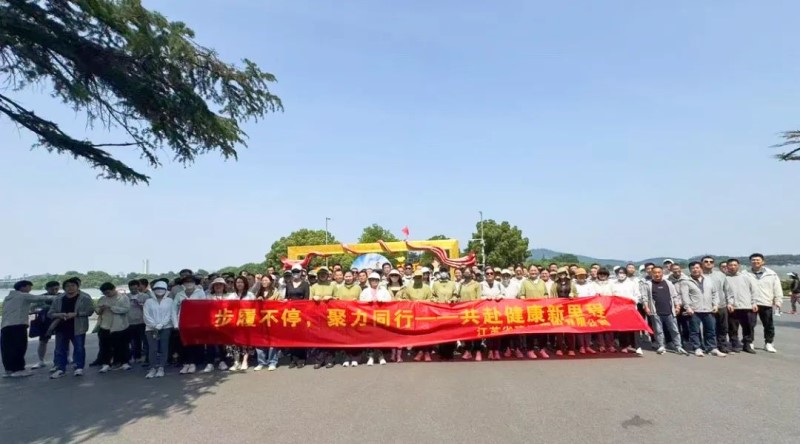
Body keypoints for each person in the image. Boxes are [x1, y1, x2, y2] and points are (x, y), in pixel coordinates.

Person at [1, 280, 54, 377]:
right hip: (18, 325)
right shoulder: (23, 295)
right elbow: (41, 298)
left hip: (5, 326)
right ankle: (19, 369)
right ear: (23, 287)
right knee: (19, 347)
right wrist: (60, 296)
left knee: (7, 349)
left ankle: (9, 370)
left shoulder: (8, 297)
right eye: (29, 287)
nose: (30, 289)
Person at [48, 278, 94, 379]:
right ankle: (60, 369)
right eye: (67, 286)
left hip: (78, 326)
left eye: (73, 286)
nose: (70, 288)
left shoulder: (84, 298)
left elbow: (90, 311)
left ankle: (79, 367)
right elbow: (50, 313)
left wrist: (76, 314)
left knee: (79, 348)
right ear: (64, 288)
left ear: (77, 287)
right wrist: (59, 315)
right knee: (60, 349)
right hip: (61, 327)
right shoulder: (58, 299)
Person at [641, 266, 688, 355]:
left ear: (662, 273)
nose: (657, 274)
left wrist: (677, 306)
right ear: (652, 274)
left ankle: (678, 346)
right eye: (655, 273)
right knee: (658, 330)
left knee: (674, 330)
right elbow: (645, 297)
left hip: (670, 311)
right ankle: (661, 345)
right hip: (655, 312)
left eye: (659, 272)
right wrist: (646, 307)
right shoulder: (648, 284)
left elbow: (674, 296)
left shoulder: (668, 283)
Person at [683, 262, 726, 357]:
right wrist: (688, 307)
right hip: (694, 310)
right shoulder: (686, 281)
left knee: (711, 330)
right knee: (695, 331)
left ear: (701, 269)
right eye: (693, 268)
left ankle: (712, 348)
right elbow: (685, 296)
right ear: (690, 270)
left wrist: (715, 305)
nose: (695, 270)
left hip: (708, 309)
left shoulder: (709, 280)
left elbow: (715, 293)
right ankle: (697, 348)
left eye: (697, 268)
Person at [746, 253, 782, 353]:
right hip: (750, 303)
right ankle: (749, 342)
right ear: (750, 262)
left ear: (763, 262)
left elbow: (777, 288)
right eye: (753, 260)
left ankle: (769, 343)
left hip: (766, 302)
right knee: (749, 324)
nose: (755, 261)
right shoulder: (745, 274)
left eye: (758, 260)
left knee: (768, 325)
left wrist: (778, 300)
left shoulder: (771, 274)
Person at [173, 275, 207, 374]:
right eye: (186, 282)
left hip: (196, 323)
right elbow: (174, 310)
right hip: (182, 322)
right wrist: (175, 323)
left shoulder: (200, 293)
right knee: (184, 344)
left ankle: (193, 363)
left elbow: (204, 308)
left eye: (191, 281)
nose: (189, 283)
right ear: (183, 284)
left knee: (194, 344)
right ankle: (185, 364)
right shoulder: (179, 294)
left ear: (194, 283)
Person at [723, 259, 758, 354]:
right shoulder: (725, 278)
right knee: (732, 328)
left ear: (738, 266)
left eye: (735, 265)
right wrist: (729, 303)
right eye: (730, 265)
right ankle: (734, 344)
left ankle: (747, 344)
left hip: (747, 306)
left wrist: (754, 303)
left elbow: (754, 291)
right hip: (732, 307)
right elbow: (725, 293)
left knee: (748, 327)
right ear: (727, 266)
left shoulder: (747, 277)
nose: (733, 267)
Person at [95, 282, 132, 373]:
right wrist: (101, 309)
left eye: (108, 292)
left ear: (113, 289)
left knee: (122, 345)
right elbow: (97, 310)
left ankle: (124, 362)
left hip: (120, 325)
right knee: (105, 346)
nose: (107, 294)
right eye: (104, 293)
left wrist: (111, 307)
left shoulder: (123, 298)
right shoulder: (103, 299)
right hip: (105, 325)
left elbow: (126, 309)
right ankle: (106, 363)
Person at [359, 272, 391, 366]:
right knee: (370, 337)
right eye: (372, 280)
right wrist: (367, 302)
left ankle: (381, 356)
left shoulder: (384, 290)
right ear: (369, 281)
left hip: (380, 317)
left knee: (380, 337)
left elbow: (389, 301)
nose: (374, 281)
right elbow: (360, 302)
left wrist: (382, 301)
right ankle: (371, 356)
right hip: (369, 318)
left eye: (376, 280)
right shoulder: (365, 291)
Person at [518, 265, 550, 359]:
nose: (533, 272)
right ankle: (530, 350)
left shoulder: (542, 282)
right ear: (528, 272)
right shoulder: (525, 282)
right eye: (531, 270)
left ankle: (542, 350)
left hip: (541, 311)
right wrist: (525, 300)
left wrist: (545, 299)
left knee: (542, 332)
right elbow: (521, 295)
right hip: (530, 311)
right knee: (531, 332)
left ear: (538, 271)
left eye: (535, 270)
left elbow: (546, 294)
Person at [701, 256, 731, 353]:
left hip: (721, 305)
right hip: (707, 306)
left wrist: (730, 303)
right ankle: (709, 346)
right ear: (702, 264)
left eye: (711, 261)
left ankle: (722, 345)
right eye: (706, 261)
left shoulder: (721, 275)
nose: (708, 263)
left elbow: (727, 290)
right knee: (709, 328)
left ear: (713, 264)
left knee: (723, 327)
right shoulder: (699, 275)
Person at [332, 271, 363, 367]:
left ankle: (355, 358)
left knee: (356, 337)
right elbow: (336, 300)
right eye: (346, 276)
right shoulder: (340, 288)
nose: (348, 278)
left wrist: (357, 301)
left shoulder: (358, 288)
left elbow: (362, 300)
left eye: (349, 276)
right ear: (344, 278)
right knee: (345, 338)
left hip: (355, 315)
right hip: (344, 315)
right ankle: (346, 358)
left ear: (353, 277)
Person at [611, 267, 643, 356]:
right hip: (619, 310)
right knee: (622, 328)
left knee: (635, 328)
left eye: (623, 273)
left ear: (626, 274)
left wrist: (631, 300)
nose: (621, 275)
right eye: (619, 273)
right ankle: (624, 345)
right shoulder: (613, 284)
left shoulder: (632, 283)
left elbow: (638, 295)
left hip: (631, 308)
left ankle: (637, 347)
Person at [143, 281, 173, 378]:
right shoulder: (148, 301)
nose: (159, 290)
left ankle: (161, 367)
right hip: (150, 328)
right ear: (153, 290)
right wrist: (154, 325)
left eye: (162, 288)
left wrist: (161, 325)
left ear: (166, 290)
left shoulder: (170, 301)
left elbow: (170, 314)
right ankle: (152, 368)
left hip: (166, 327)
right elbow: (146, 315)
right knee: (153, 349)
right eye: (157, 288)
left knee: (164, 348)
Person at [253, 274, 283, 371]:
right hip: (260, 320)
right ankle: (261, 362)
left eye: (266, 280)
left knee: (272, 342)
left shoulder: (276, 292)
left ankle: (272, 362)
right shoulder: (258, 292)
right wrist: (257, 300)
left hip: (272, 319)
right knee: (259, 342)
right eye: (263, 280)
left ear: (271, 281)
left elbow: (280, 305)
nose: (264, 282)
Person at [310, 267, 337, 369]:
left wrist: (331, 298)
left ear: (327, 275)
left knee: (330, 338)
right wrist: (313, 298)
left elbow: (338, 299)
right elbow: (308, 301)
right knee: (318, 339)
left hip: (330, 315)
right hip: (317, 316)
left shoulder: (332, 285)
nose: (322, 275)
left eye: (324, 274)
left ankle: (330, 360)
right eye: (320, 274)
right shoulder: (313, 286)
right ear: (318, 275)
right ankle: (319, 360)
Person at [30, 281, 60, 370]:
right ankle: (41, 361)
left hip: (59, 319)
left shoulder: (61, 296)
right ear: (47, 289)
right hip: (45, 321)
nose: (54, 291)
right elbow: (32, 308)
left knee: (63, 339)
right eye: (52, 289)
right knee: (43, 340)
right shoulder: (41, 297)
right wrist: (40, 310)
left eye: (56, 289)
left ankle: (67, 357)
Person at [284, 265, 310, 368]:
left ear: (301, 272)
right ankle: (293, 359)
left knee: (301, 336)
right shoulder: (288, 284)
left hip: (301, 313)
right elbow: (287, 297)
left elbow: (307, 299)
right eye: (294, 271)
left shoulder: (305, 284)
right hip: (291, 313)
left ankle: (301, 359)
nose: (296, 273)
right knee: (291, 336)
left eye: (297, 271)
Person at [456, 267, 482, 360]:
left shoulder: (476, 284)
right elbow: (458, 296)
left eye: (468, 272)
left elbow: (478, 298)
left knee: (476, 332)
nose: (466, 274)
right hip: (464, 312)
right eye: (465, 272)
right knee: (467, 332)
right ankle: (468, 351)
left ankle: (478, 351)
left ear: (472, 274)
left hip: (474, 311)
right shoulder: (461, 284)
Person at [230, 276, 255, 370]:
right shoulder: (232, 296)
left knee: (245, 342)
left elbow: (254, 308)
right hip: (234, 321)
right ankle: (236, 361)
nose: (239, 284)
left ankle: (245, 360)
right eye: (237, 282)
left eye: (241, 282)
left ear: (245, 284)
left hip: (247, 321)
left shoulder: (250, 295)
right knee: (235, 342)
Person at [480, 267, 505, 360]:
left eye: (491, 273)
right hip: (486, 312)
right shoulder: (481, 285)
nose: (489, 275)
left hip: (498, 311)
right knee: (489, 331)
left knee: (497, 331)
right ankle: (490, 350)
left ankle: (496, 351)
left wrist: (500, 296)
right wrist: (485, 298)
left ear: (494, 275)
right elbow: (478, 296)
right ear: (485, 275)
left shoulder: (499, 284)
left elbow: (504, 294)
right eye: (487, 273)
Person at [551, 267, 577, 356]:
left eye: (563, 273)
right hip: (558, 308)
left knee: (569, 329)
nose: (562, 275)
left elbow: (576, 295)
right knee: (559, 330)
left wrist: (573, 295)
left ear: (566, 274)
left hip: (569, 308)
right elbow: (552, 295)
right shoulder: (554, 284)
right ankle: (559, 348)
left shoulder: (571, 283)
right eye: (560, 273)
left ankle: (571, 348)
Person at [573, 268, 599, 355]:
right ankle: (581, 346)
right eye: (579, 275)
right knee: (579, 328)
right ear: (576, 276)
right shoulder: (573, 284)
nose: (581, 277)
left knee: (588, 328)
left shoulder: (590, 285)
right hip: (577, 309)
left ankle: (587, 345)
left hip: (588, 308)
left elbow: (593, 296)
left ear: (586, 276)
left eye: (583, 275)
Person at [126, 280, 150, 366]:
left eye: (135, 288)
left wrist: (140, 305)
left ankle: (147, 358)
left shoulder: (145, 296)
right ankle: (136, 356)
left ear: (138, 287)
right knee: (134, 341)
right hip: (130, 321)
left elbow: (148, 309)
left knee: (145, 340)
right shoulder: (126, 297)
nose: (133, 290)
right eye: (131, 289)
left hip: (142, 321)